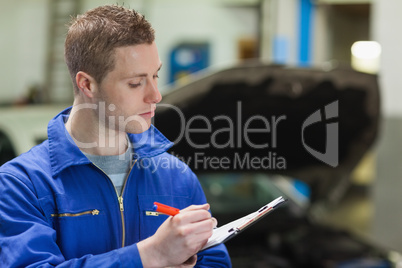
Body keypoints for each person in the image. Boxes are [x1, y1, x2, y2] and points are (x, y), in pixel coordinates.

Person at [0, 5, 231, 267]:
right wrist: (150, 255)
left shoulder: (177, 178)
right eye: (135, 82)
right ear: (87, 84)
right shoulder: (21, 185)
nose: (156, 95)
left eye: (155, 75)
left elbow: (213, 261)